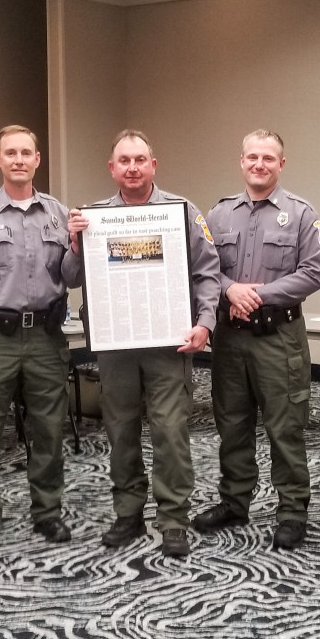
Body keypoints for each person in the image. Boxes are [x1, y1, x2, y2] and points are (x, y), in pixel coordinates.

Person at [67, 129, 220, 557]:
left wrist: (205, 323)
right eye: (124, 160)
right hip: (117, 346)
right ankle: (128, 512)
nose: (132, 167)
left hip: (169, 345)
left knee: (171, 431)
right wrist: (75, 242)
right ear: (112, 168)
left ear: (154, 164)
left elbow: (208, 272)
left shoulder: (182, 212)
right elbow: (69, 277)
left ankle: (173, 518)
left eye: (140, 159)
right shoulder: (92, 217)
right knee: (120, 430)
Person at [193, 129, 320, 550]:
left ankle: (292, 511)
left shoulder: (302, 214)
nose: (259, 164)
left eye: (268, 158)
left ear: (281, 164)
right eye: (252, 157)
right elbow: (203, 268)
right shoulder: (218, 215)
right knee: (232, 424)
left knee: (285, 427)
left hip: (279, 338)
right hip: (231, 340)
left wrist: (255, 295)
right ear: (241, 161)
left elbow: (314, 272)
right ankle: (234, 501)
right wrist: (230, 290)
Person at [0, 125, 81, 551]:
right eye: (11, 152)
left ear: (37, 160)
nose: (19, 159)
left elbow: (71, 277)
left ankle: (47, 512)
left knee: (48, 429)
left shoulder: (61, 214)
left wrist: (78, 247)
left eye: (27, 152)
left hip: (46, 336)